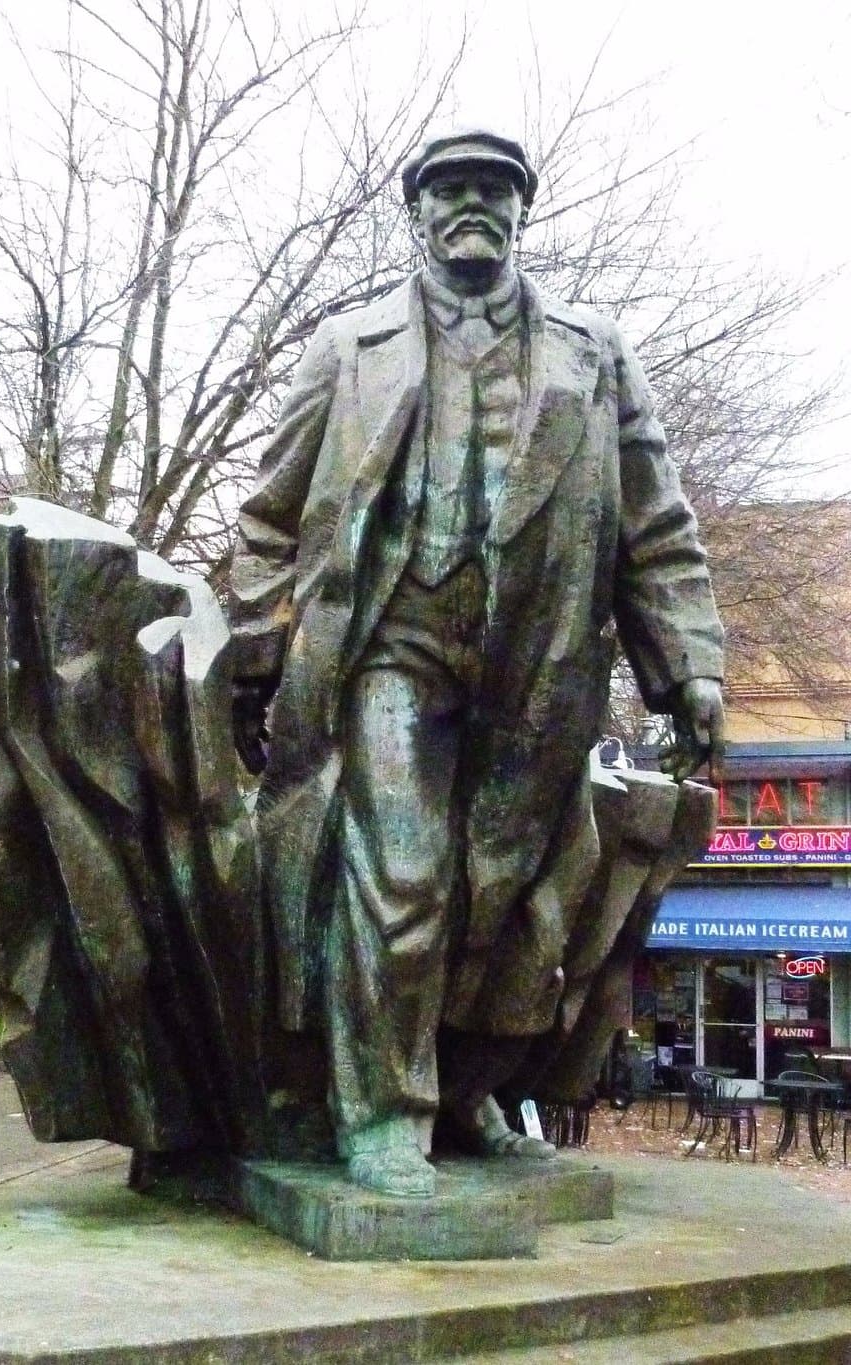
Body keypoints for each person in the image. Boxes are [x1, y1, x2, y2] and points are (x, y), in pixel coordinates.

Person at [229, 129, 724, 1197]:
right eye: (450, 191)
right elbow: (269, 518)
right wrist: (254, 652)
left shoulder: (595, 355)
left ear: (519, 213)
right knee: (400, 874)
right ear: (415, 212)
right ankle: (383, 1112)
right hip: (389, 642)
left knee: (516, 896)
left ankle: (465, 1090)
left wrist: (688, 667)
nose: (471, 209)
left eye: (491, 193)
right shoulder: (348, 348)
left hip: (540, 663)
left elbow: (654, 526)